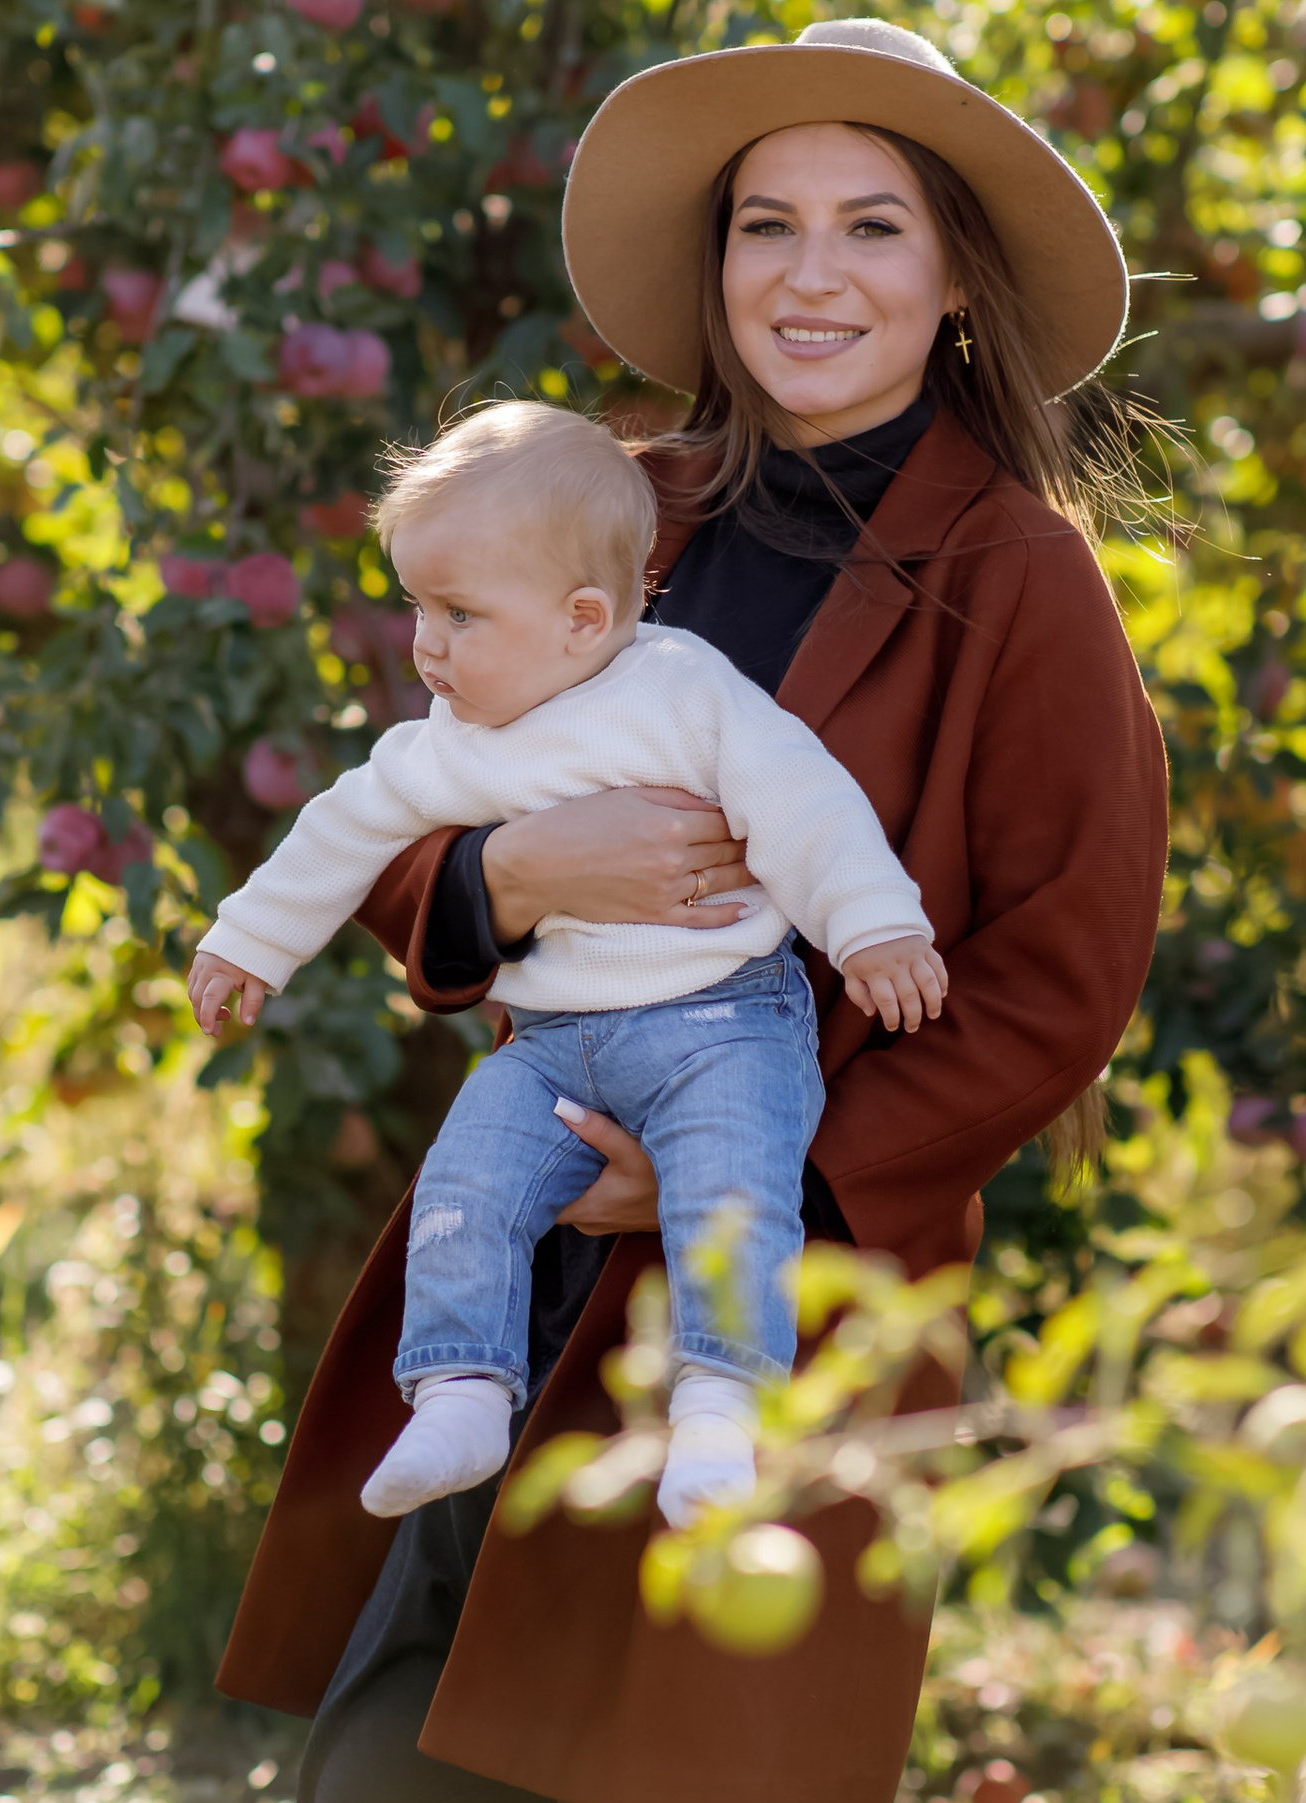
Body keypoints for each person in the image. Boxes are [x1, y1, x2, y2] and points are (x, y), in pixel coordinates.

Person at [217, 17, 1170, 1803]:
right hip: (535, 1294)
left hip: (799, 1298)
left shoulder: (1014, 584)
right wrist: (509, 895)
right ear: (713, 276)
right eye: (771, 226)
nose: (816, 273)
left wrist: (764, 1154)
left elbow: (1055, 988)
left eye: (875, 226)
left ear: (956, 280)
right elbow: (420, 851)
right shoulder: (610, 518)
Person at [186, 400, 948, 1531]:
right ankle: (458, 1390)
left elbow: (802, 801)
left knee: (732, 1193)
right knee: (466, 1184)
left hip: (722, 1022)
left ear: (584, 618)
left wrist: (875, 923)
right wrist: (247, 942)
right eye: (416, 609)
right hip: (553, 1044)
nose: (425, 646)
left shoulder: (680, 693)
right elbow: (340, 836)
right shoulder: (449, 745)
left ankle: (720, 1408)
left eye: (458, 614)